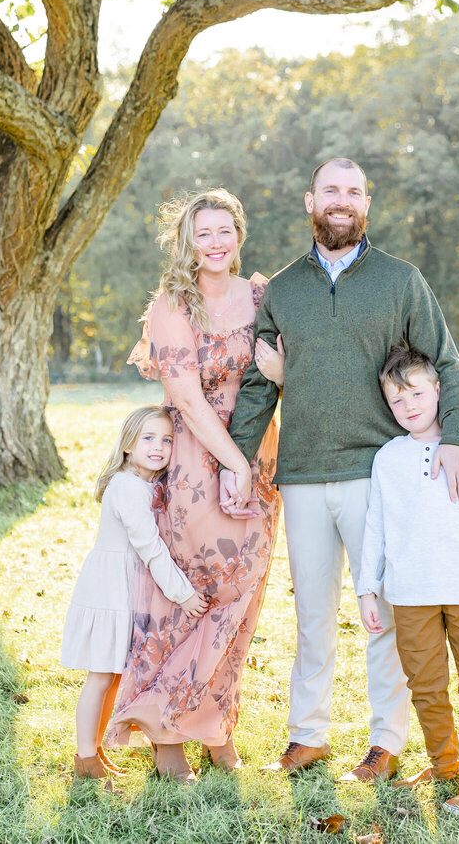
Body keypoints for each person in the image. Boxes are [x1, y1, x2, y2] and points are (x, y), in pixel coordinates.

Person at [227, 157, 459, 784]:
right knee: (312, 614)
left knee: (383, 614)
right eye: (331, 190)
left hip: (380, 474)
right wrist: (232, 458)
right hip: (304, 474)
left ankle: (384, 743)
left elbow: (444, 364)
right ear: (309, 199)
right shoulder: (282, 290)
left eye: (354, 192)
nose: (342, 200)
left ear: (368, 203)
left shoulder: (401, 282)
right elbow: (258, 387)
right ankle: (308, 737)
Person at [107, 189, 282, 783]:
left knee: (244, 593)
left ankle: (214, 723)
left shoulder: (260, 296)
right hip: (196, 460)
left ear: (239, 234)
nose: (215, 243)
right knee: (195, 591)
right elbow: (184, 395)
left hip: (260, 453)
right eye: (203, 233)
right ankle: (166, 732)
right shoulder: (171, 305)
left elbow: (282, 367)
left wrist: (255, 448)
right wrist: (233, 462)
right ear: (188, 241)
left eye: (224, 230)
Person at [357, 342, 459, 813]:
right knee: (425, 685)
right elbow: (376, 527)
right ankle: (444, 766)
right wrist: (368, 587)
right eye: (397, 400)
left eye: (416, 395)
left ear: (438, 390)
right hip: (410, 593)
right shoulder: (388, 458)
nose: (408, 407)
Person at [59, 405, 210, 780]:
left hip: (124, 589)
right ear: (128, 444)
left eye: (167, 440)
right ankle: (84, 757)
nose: (158, 447)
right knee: (100, 676)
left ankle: (93, 753)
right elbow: (150, 546)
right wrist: (183, 594)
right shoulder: (127, 487)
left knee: (112, 676)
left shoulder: (143, 483)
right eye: (148, 438)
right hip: (110, 590)